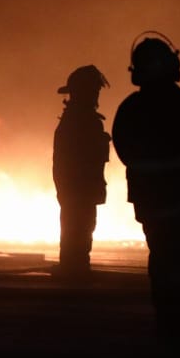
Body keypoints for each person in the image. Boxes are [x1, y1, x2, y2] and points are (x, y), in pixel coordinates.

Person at [111, 32, 180, 343]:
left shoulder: (130, 109)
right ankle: (176, 323)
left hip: (151, 204)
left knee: (161, 259)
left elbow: (128, 153)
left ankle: (167, 320)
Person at [53, 64, 111, 281]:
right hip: (79, 192)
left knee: (81, 230)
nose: (96, 95)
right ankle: (73, 274)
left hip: (80, 192)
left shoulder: (79, 121)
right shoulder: (79, 123)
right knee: (78, 231)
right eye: (93, 90)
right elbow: (69, 162)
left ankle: (75, 270)